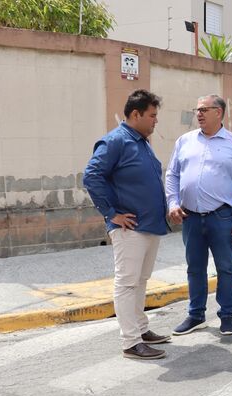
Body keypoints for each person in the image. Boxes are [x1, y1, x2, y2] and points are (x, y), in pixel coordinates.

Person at [83, 89, 170, 360]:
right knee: (127, 283)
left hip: (149, 225)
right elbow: (91, 176)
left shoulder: (142, 141)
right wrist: (112, 213)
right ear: (136, 114)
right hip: (129, 227)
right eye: (152, 115)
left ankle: (141, 329)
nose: (156, 121)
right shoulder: (116, 141)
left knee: (140, 281)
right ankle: (131, 342)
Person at [165, 95, 232, 336]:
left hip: (222, 217)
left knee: (225, 268)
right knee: (194, 268)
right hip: (190, 217)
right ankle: (196, 315)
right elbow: (172, 174)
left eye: (204, 109)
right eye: (197, 110)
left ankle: (226, 315)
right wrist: (173, 202)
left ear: (219, 112)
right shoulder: (184, 141)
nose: (199, 114)